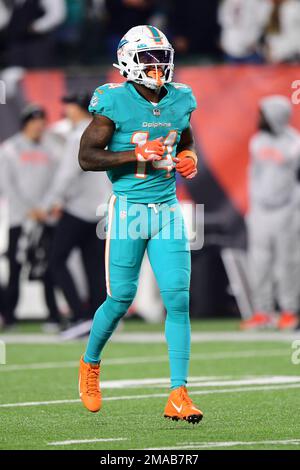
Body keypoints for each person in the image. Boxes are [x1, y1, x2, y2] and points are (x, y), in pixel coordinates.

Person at [78, 25, 203, 423]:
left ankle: (179, 393)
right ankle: (90, 365)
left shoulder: (181, 97)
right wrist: (136, 156)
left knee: (178, 299)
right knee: (120, 299)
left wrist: (190, 158)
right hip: (129, 209)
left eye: (161, 58)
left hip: (167, 208)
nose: (157, 67)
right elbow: (87, 157)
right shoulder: (112, 100)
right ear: (129, 61)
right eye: (148, 58)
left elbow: (184, 139)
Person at [35, 93, 111, 333]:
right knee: (96, 268)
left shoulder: (78, 135)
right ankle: (98, 320)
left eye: (68, 105)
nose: (66, 109)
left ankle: (79, 316)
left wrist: (48, 204)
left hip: (78, 209)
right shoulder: (106, 134)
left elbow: (67, 174)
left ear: (78, 109)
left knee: (56, 260)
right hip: (101, 210)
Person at [242, 95, 300, 331]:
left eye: (264, 113)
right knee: (259, 263)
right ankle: (262, 312)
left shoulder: (295, 142)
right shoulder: (257, 141)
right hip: (260, 212)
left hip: (288, 209)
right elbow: (254, 176)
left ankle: (289, 311)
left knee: (288, 263)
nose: (260, 118)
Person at [0, 104, 60, 328]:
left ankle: (54, 316)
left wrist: (46, 208)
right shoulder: (10, 148)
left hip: (45, 218)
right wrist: (28, 209)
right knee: (16, 268)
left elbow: (56, 181)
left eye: (42, 121)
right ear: (26, 123)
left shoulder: (51, 149)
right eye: (35, 121)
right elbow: (7, 184)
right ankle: (9, 316)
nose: (39, 126)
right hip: (20, 219)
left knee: (49, 268)